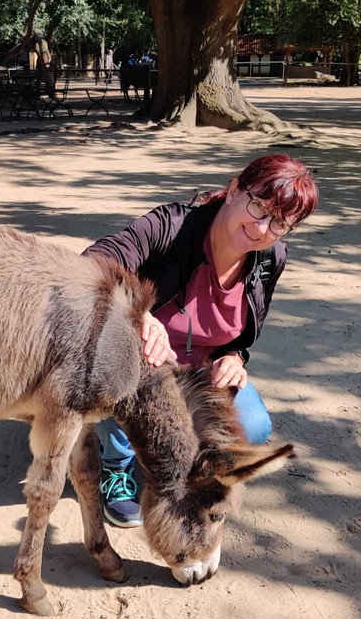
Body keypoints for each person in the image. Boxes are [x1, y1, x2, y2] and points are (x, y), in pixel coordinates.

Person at [83, 155, 320, 527]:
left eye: (279, 222)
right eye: (258, 206)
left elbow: (243, 331)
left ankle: (171, 456)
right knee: (115, 373)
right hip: (140, 363)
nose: (261, 228)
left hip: (199, 373)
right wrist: (138, 313)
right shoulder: (171, 225)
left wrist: (234, 357)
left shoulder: (271, 257)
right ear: (235, 188)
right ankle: (115, 464)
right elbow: (94, 262)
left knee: (253, 428)